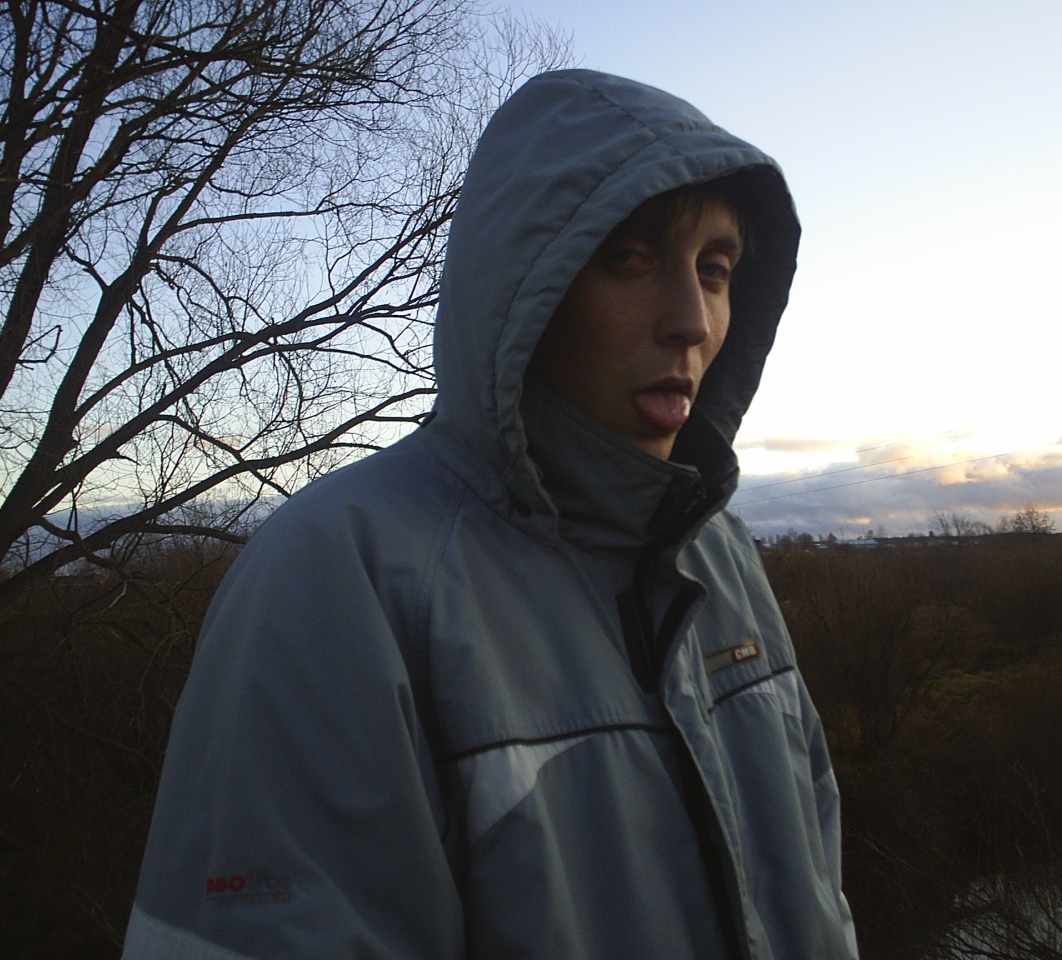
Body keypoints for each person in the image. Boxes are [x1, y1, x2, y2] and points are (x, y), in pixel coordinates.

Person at [123, 69, 858, 960]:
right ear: (523, 287)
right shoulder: (336, 577)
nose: (692, 321)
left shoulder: (721, 555)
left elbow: (820, 889)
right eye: (629, 258)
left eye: (716, 270)